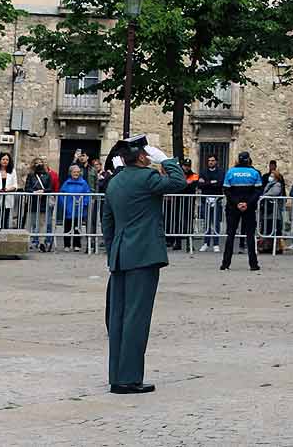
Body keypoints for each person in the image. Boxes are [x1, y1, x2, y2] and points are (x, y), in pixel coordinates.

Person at [102, 137, 189, 394]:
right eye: (147, 155)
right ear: (141, 157)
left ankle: (116, 375)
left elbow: (107, 222)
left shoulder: (114, 182)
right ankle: (129, 379)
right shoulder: (146, 178)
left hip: (120, 256)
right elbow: (179, 182)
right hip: (142, 255)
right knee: (136, 318)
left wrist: (113, 251)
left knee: (118, 317)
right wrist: (167, 161)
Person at [220, 151, 262, 271]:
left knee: (230, 235)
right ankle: (253, 264)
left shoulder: (231, 172)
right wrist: (247, 204)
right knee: (250, 236)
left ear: (238, 160)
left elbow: (226, 190)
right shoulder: (254, 173)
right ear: (249, 160)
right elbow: (258, 191)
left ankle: (225, 264)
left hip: (233, 207)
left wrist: (237, 203)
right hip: (249, 208)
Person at [59, 164, 92, 251]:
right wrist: (64, 205)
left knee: (77, 228)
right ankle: (67, 245)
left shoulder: (84, 183)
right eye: (74, 172)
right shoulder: (66, 183)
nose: (76, 173)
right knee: (67, 227)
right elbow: (61, 195)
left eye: (78, 172)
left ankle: (77, 245)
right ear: (71, 173)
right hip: (68, 209)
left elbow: (87, 194)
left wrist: (84, 204)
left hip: (79, 209)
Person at [24, 157, 55, 251]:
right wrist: (34, 192)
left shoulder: (47, 175)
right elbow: (27, 188)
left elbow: (50, 188)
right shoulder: (30, 175)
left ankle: (42, 243)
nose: (38, 165)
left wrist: (43, 191)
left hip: (43, 202)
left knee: (42, 223)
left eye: (40, 163)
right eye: (36, 163)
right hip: (33, 202)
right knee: (31, 223)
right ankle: (27, 242)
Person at [196, 154, 223, 252]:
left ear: (216, 161)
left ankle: (216, 244)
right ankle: (206, 243)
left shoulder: (220, 172)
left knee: (216, 223)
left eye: (212, 160)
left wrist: (207, 182)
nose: (210, 162)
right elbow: (200, 184)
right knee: (206, 223)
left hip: (216, 200)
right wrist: (212, 182)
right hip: (205, 200)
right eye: (209, 160)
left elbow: (220, 183)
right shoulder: (203, 172)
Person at [259, 164, 286, 254]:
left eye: (272, 176)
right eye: (270, 175)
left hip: (274, 211)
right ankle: (267, 246)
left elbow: (274, 193)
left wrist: (263, 196)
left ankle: (277, 247)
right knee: (266, 228)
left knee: (274, 229)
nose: (270, 177)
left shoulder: (277, 184)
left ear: (276, 177)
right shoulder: (269, 184)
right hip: (268, 210)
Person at [0, 152, 20, 230]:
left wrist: (9, 189)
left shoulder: (12, 171)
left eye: (7, 159)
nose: (5, 161)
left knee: (6, 215)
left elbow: (15, 185)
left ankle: (4, 230)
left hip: (8, 196)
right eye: (3, 159)